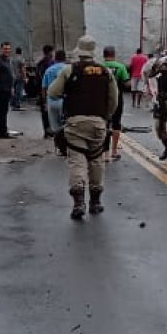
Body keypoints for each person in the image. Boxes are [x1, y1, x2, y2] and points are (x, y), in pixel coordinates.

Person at [47, 36, 118, 219]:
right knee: (96, 160)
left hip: (76, 123)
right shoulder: (105, 71)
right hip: (98, 123)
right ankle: (96, 202)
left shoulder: (69, 70)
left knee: (77, 160)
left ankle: (79, 202)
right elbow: (114, 100)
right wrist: (105, 117)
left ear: (79, 51)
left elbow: (52, 93)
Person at [101, 46, 131, 160]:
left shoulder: (100, 67)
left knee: (104, 124)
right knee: (116, 124)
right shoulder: (120, 67)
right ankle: (114, 151)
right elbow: (127, 84)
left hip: (102, 100)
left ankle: (104, 152)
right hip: (117, 99)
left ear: (104, 55)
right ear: (114, 54)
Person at [42, 49, 69, 156]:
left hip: (51, 101)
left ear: (55, 58)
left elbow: (44, 88)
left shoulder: (49, 70)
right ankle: (66, 147)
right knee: (66, 124)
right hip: (65, 101)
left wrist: (45, 102)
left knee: (55, 126)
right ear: (65, 58)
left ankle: (58, 148)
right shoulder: (68, 69)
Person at [35, 45, 56, 137]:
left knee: (45, 111)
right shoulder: (51, 63)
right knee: (52, 111)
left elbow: (37, 78)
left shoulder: (40, 64)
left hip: (42, 90)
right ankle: (51, 130)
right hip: (50, 90)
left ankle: (46, 130)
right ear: (50, 52)